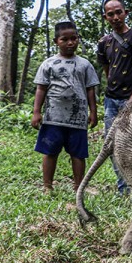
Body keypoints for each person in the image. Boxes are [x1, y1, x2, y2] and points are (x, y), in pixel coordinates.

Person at [31, 21, 99, 193]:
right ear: (56, 41)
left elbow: (90, 89)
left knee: (78, 154)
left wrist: (93, 112)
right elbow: (41, 88)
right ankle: (47, 186)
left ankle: (79, 187)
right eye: (65, 39)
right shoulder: (49, 64)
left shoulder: (85, 64)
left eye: (74, 38)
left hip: (78, 119)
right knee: (50, 152)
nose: (70, 43)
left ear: (78, 39)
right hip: (54, 117)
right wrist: (37, 112)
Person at [97, 0, 132, 194]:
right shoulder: (104, 42)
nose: (115, 17)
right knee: (112, 144)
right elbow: (107, 70)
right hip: (111, 100)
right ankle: (124, 187)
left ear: (125, 13)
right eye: (110, 14)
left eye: (118, 12)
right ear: (106, 17)